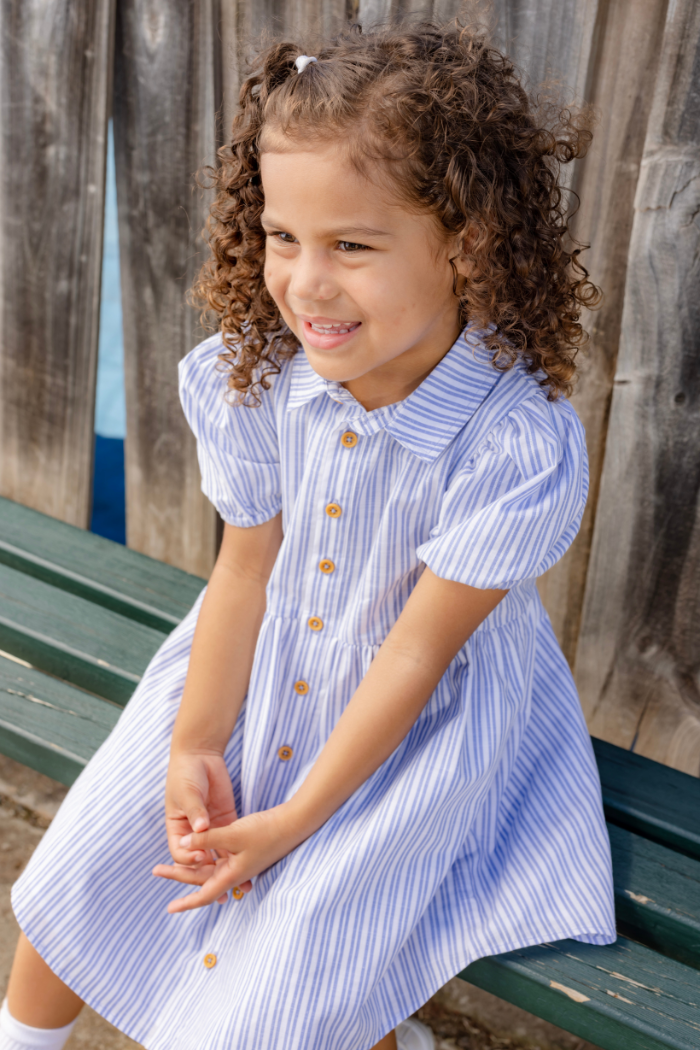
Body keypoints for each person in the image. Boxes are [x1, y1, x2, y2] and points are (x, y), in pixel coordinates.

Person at [2, 19, 616, 1050]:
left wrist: (296, 818)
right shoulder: (254, 377)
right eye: (284, 238)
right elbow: (244, 574)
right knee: (90, 855)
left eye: (353, 246)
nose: (306, 283)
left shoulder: (511, 441)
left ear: (464, 242)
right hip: (258, 658)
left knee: (304, 941)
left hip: (416, 723)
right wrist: (197, 739)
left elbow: (418, 653)